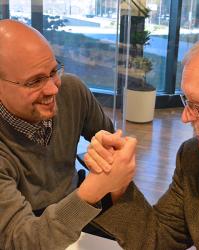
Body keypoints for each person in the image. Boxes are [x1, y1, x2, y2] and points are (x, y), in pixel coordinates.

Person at [85, 22, 199, 249]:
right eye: (186, 101)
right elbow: (159, 239)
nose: (185, 117)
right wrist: (117, 184)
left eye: (196, 104)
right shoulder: (196, 158)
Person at [0, 19, 137, 250]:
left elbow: (113, 143)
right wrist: (91, 192)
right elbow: (20, 240)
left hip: (76, 199)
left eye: (53, 71)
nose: (53, 88)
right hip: (27, 222)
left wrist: (111, 154)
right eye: (35, 81)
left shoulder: (72, 91)